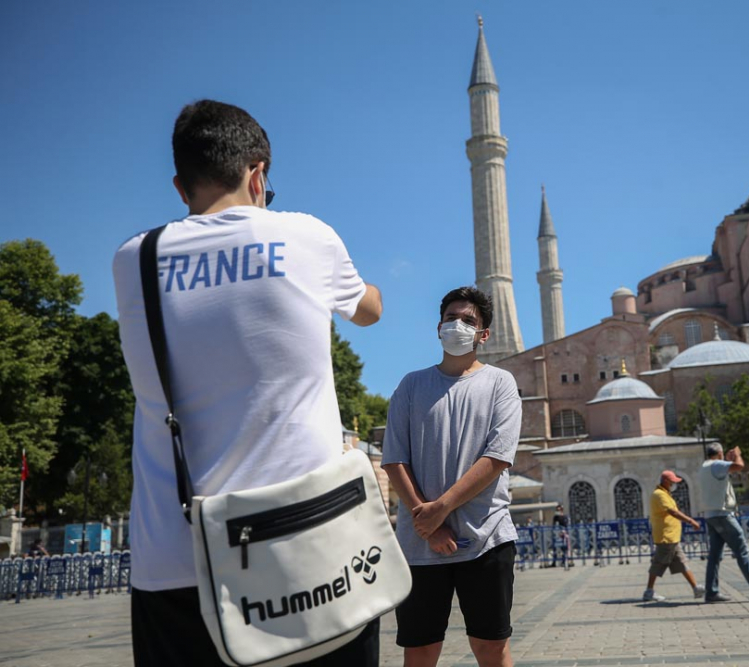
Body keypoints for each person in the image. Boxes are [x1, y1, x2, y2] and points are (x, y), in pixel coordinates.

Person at [113, 100, 383, 666]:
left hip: (178, 560)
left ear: (180, 185)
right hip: (310, 554)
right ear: (258, 173)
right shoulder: (308, 237)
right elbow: (369, 310)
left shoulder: (134, 259)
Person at [381, 287, 521, 667]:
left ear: (483, 334)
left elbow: (496, 458)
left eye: (468, 320)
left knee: (491, 646)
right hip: (421, 543)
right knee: (421, 650)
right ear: (438, 327)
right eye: (451, 318)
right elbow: (394, 458)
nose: (457, 325)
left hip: (485, 537)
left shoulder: (500, 383)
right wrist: (427, 522)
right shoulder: (411, 385)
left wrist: (440, 509)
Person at [698, 443, 749, 603]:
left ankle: (711, 592)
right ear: (719, 453)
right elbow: (739, 466)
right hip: (723, 514)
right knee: (742, 551)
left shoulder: (704, 467)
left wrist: (728, 460)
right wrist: (736, 456)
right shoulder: (717, 464)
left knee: (714, 556)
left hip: (710, 515)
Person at [642, 470, 705, 602]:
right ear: (666, 481)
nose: (673, 485)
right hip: (666, 537)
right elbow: (672, 512)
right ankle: (649, 592)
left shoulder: (664, 494)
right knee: (658, 564)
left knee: (681, 562)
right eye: (672, 482)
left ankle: (696, 588)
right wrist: (690, 520)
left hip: (671, 537)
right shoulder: (660, 495)